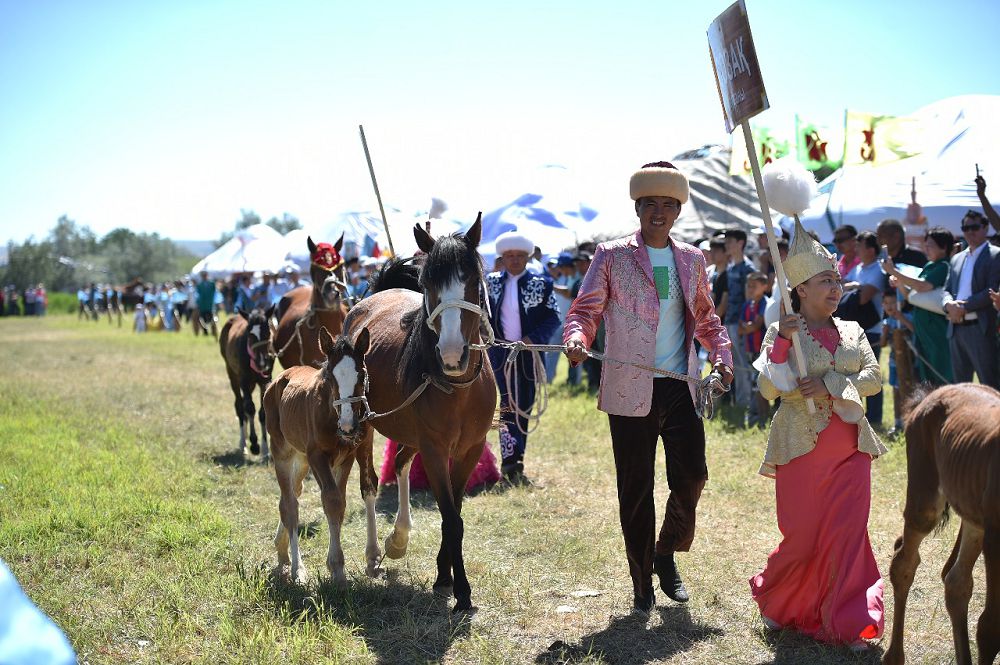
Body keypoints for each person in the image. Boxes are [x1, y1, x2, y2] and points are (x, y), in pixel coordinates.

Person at [563, 162, 733, 618]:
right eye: (650, 205)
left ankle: (665, 553)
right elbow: (585, 309)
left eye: (668, 205)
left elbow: (708, 320)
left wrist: (722, 359)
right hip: (629, 387)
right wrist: (577, 337)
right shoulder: (612, 255)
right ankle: (642, 580)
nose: (659, 212)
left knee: (692, 476)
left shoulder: (693, 259)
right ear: (638, 208)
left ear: (678, 211)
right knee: (635, 489)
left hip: (680, 387)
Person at [749, 219, 887, 648]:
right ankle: (780, 598)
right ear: (801, 289)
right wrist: (783, 345)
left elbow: (874, 377)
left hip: (851, 449)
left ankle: (851, 620)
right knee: (803, 535)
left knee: (848, 536)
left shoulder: (853, 330)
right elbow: (768, 388)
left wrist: (830, 384)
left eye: (837, 280)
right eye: (824, 280)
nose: (835, 288)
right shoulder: (780, 330)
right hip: (800, 448)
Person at [485, 230, 561, 482]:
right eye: (509, 255)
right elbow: (480, 315)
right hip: (498, 353)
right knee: (506, 404)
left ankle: (518, 455)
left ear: (528, 257)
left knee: (525, 403)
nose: (515, 260)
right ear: (502, 258)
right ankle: (510, 460)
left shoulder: (542, 283)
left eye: (519, 255)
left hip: (528, 352)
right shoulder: (489, 283)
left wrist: (531, 340)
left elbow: (553, 317)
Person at [882, 226, 956, 385]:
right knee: (927, 381)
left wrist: (894, 272)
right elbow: (913, 297)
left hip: (938, 334)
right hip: (923, 334)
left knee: (943, 379)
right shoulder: (929, 266)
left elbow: (923, 286)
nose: (926, 248)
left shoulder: (944, 266)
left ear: (943, 247)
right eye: (925, 244)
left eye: (930, 245)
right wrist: (901, 284)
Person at [942, 210, 1000, 388]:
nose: (969, 231)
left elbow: (992, 290)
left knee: (990, 385)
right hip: (956, 329)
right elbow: (946, 290)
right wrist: (948, 304)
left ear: (985, 228)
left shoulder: (996, 255)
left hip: (980, 328)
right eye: (965, 228)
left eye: (974, 227)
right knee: (961, 388)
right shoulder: (956, 258)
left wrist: (964, 307)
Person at [844, 231, 886, 428]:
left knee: (871, 374)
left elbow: (864, 297)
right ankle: (858, 415)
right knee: (855, 373)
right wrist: (856, 286)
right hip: (855, 329)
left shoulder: (878, 269)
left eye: (859, 246)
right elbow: (841, 285)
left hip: (872, 329)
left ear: (870, 249)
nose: (856, 250)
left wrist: (853, 287)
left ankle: (875, 417)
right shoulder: (858, 268)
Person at [722, 228, 757, 411]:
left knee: (743, 365)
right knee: (733, 363)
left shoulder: (748, 268)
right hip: (729, 321)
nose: (726, 245)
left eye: (730, 241)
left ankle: (746, 404)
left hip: (740, 324)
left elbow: (751, 299)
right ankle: (737, 401)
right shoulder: (731, 267)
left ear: (740, 243)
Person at [879, 291, 914, 434]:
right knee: (895, 390)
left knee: (909, 389)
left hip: (909, 362)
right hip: (894, 362)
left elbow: (914, 329)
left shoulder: (908, 317)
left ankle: (910, 420)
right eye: (886, 303)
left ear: (901, 303)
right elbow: (882, 344)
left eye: (893, 302)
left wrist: (902, 319)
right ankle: (898, 421)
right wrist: (885, 332)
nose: (889, 306)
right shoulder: (887, 322)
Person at [738, 272, 770, 427]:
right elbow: (741, 327)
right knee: (753, 385)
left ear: (764, 287)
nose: (750, 289)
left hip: (763, 351)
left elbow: (756, 325)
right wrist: (747, 328)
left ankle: (764, 416)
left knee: (761, 386)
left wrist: (748, 327)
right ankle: (755, 415)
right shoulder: (747, 304)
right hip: (750, 350)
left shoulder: (765, 303)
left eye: (754, 286)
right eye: (749, 286)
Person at [548, 252, 578, 385]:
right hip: (560, 323)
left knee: (574, 354)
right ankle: (547, 380)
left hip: (572, 325)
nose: (557, 270)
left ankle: (574, 382)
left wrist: (550, 285)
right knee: (552, 353)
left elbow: (568, 293)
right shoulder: (562, 278)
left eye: (559, 267)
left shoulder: (577, 278)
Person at [195, 270, 218, 338]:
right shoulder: (199, 285)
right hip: (202, 305)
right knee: (203, 319)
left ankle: (213, 332)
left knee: (211, 319)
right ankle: (205, 332)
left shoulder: (212, 284)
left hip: (210, 305)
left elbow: (215, 293)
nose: (204, 277)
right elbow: (197, 295)